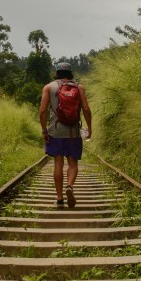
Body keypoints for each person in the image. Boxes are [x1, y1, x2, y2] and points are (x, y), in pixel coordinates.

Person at [39, 62, 92, 208]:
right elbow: (86, 109)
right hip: (73, 132)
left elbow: (42, 111)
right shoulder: (78, 87)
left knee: (58, 163)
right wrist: (89, 127)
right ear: (70, 73)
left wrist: (44, 130)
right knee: (73, 163)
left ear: (56, 72)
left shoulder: (49, 87)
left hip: (55, 131)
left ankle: (60, 198)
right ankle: (69, 185)